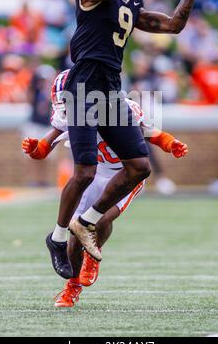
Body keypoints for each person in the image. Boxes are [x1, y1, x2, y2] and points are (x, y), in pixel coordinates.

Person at [46, 0, 213, 278]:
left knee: (139, 166)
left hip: (109, 88)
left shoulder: (127, 0)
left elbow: (172, 25)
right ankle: (57, 237)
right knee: (85, 173)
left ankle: (87, 221)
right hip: (83, 86)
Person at [22, 70, 188, 307]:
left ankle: (94, 251)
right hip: (95, 170)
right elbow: (46, 144)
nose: (68, 109)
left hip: (124, 173)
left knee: (99, 220)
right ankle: (72, 286)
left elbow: (148, 131)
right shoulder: (70, 114)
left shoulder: (120, 108)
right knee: (76, 232)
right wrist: (36, 149)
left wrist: (168, 142)